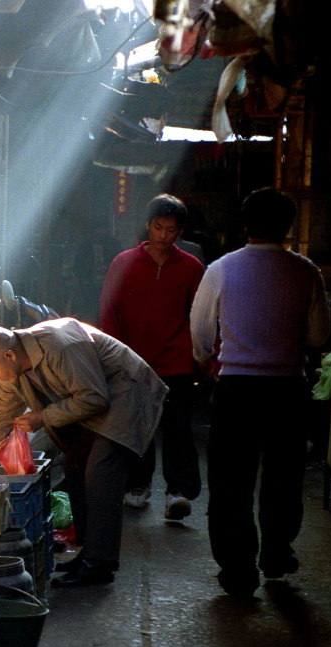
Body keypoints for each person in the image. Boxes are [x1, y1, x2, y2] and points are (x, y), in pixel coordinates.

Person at [190, 187, 331, 597]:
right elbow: (319, 334)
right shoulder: (306, 271)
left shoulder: (220, 268)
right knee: (283, 476)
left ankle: (238, 569)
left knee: (231, 481)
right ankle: (276, 552)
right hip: (288, 390)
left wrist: (205, 357)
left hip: (236, 390)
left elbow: (200, 332)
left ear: (244, 224)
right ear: (288, 227)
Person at [0, 319, 167, 587]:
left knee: (100, 472)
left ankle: (99, 564)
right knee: (74, 466)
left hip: (123, 392)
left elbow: (95, 397)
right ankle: (87, 554)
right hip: (94, 400)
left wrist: (43, 417)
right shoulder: (14, 368)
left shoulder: (61, 346)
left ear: (9, 355)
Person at [99, 194, 205, 520]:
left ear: (180, 232)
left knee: (177, 428)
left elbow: (199, 314)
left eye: (170, 229)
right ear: (147, 226)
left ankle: (178, 492)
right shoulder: (123, 263)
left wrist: (197, 353)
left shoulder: (191, 267)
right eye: (158, 227)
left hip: (177, 361)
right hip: (132, 361)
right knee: (136, 426)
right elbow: (108, 312)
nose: (163, 235)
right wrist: (115, 356)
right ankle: (137, 486)